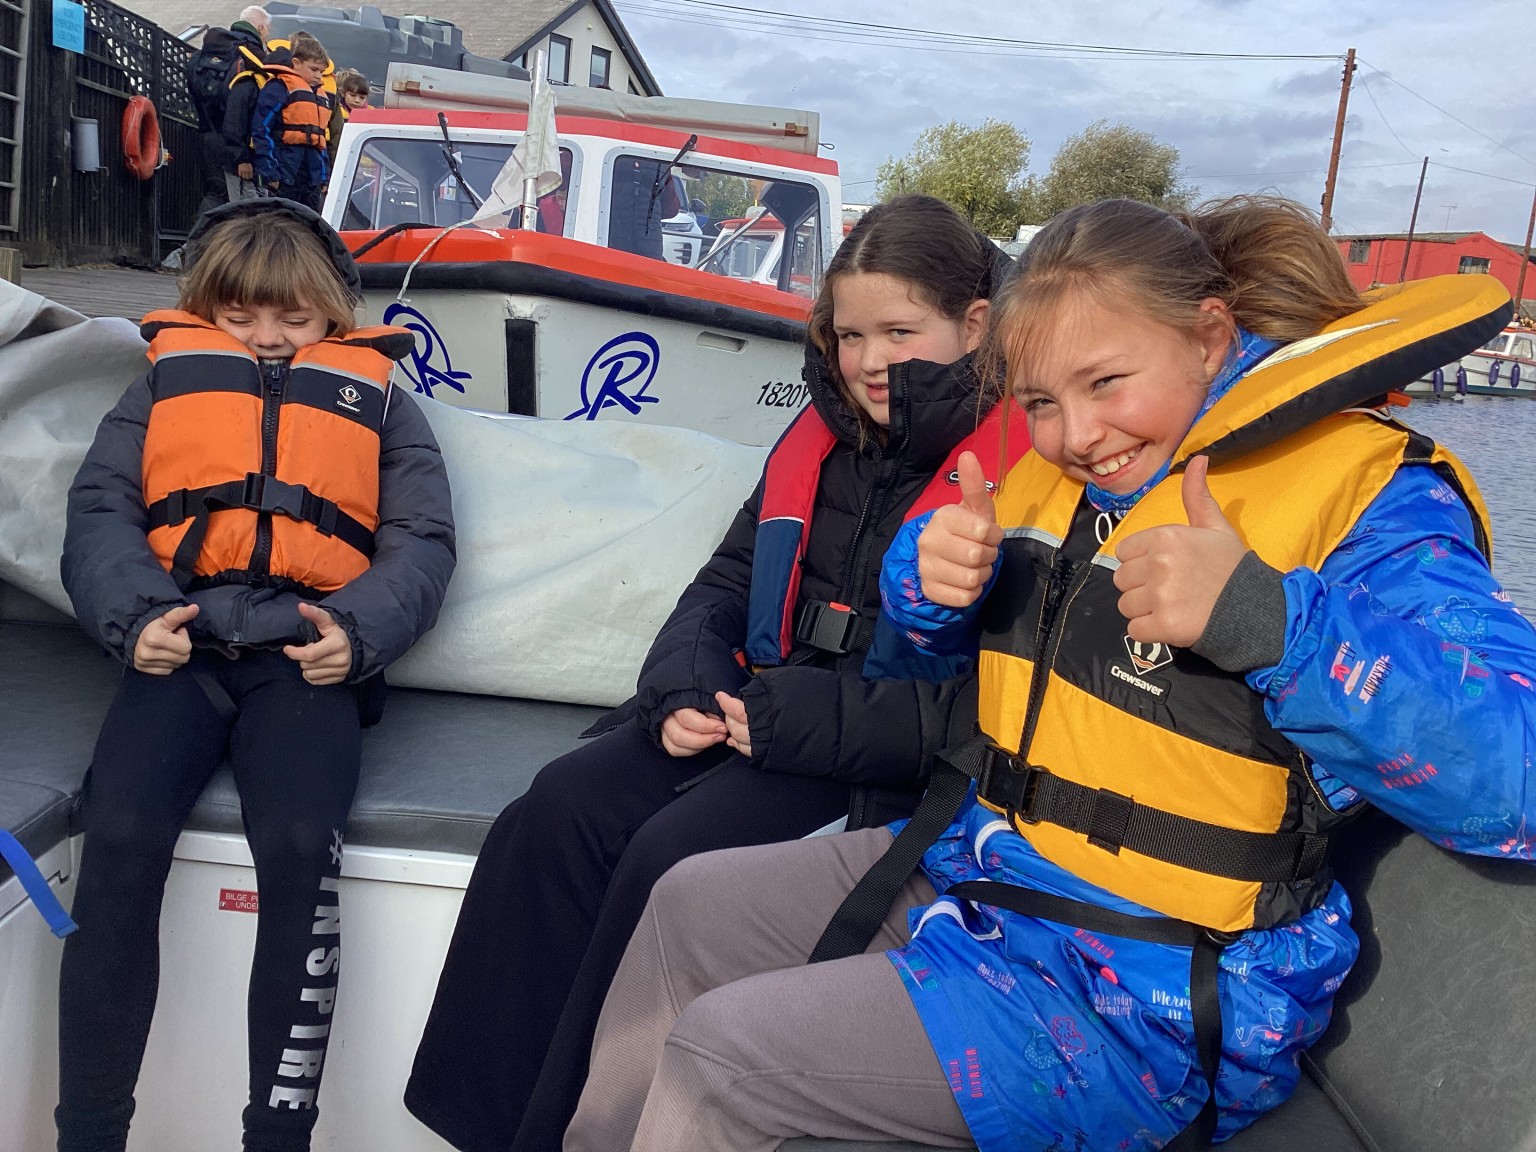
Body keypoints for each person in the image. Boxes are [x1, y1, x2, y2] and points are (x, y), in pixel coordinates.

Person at [565, 195, 1536, 1152]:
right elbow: (974, 683)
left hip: (1147, 996)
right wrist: (929, 590)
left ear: (1208, 337)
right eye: (1039, 403)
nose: (1075, 434)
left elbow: (1516, 776)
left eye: (1106, 382)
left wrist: (1271, 622)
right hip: (986, 881)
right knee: (689, 902)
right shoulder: (1059, 480)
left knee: (727, 1059)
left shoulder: (1371, 496)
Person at [404, 194, 1027, 1152]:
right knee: (557, 808)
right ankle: (485, 1125)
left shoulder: (1022, 474)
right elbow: (727, 580)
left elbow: (983, 710)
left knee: (672, 856)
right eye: (850, 333)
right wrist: (687, 681)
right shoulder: (818, 431)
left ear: (974, 325)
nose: (869, 361)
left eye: (902, 332)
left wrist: (787, 717)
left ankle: (580, 1132)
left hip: (875, 763)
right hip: (755, 710)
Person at [55, 198, 456, 1152]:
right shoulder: (157, 388)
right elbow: (101, 508)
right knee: (116, 832)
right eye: (241, 316)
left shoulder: (385, 404)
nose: (269, 339)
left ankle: (278, 1137)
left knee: (299, 845)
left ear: (336, 320)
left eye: (295, 319)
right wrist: (136, 618)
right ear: (206, 307)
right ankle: (91, 1130)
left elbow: (422, 542)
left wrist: (355, 636)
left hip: (304, 665)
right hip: (180, 648)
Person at [250, 31, 331, 211]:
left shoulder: (319, 96)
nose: (318, 76)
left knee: (308, 224)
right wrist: (269, 171)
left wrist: (324, 176)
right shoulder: (279, 87)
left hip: (311, 177)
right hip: (284, 169)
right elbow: (261, 129)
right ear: (296, 63)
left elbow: (321, 142)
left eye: (322, 71)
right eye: (314, 69)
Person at [216, 5, 272, 204]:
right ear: (260, 28)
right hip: (242, 155)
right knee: (245, 210)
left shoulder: (227, 53)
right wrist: (242, 158)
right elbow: (236, 114)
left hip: (226, 146)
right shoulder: (249, 61)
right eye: (268, 30)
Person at [326, 68, 369, 170]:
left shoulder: (371, 114)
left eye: (362, 97)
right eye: (353, 95)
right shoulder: (336, 112)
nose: (357, 100)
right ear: (343, 93)